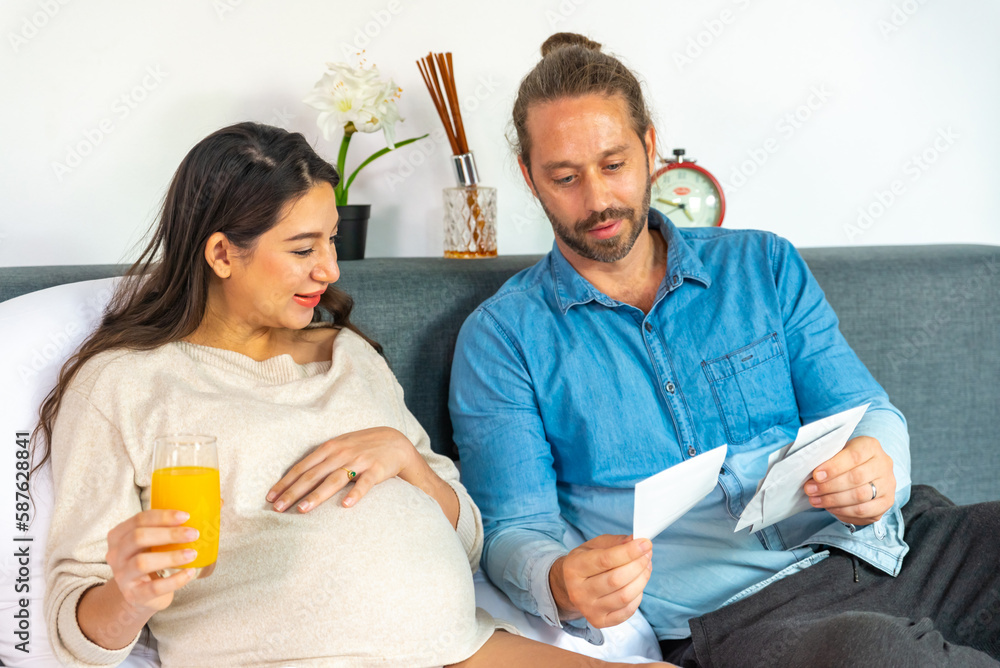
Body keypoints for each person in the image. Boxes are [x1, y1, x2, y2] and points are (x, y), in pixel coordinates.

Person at [449, 33, 1000, 667]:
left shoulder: (761, 264)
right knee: (875, 653)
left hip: (897, 547)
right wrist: (558, 581)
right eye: (565, 178)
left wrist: (878, 463)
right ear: (529, 177)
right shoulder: (504, 338)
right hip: (744, 619)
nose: (597, 200)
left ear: (650, 147)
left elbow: (866, 409)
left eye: (614, 165)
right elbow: (515, 529)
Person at [37, 122, 669, 667]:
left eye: (332, 240)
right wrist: (130, 596)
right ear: (223, 254)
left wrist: (407, 458)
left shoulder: (350, 355)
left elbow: (470, 537)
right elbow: (74, 633)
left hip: (459, 650)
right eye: (304, 248)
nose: (331, 271)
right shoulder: (123, 385)